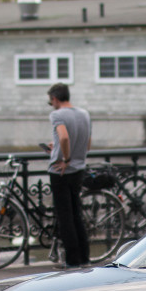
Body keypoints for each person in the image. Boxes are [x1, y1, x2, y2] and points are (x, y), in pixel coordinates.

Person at [44, 82, 91, 268]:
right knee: (76, 214)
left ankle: (72, 261)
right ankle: (84, 257)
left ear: (55, 99)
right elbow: (87, 143)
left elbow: (64, 137)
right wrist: (62, 150)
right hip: (79, 169)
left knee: (65, 217)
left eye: (51, 101)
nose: (52, 105)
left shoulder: (57, 115)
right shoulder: (84, 114)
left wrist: (65, 158)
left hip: (60, 171)